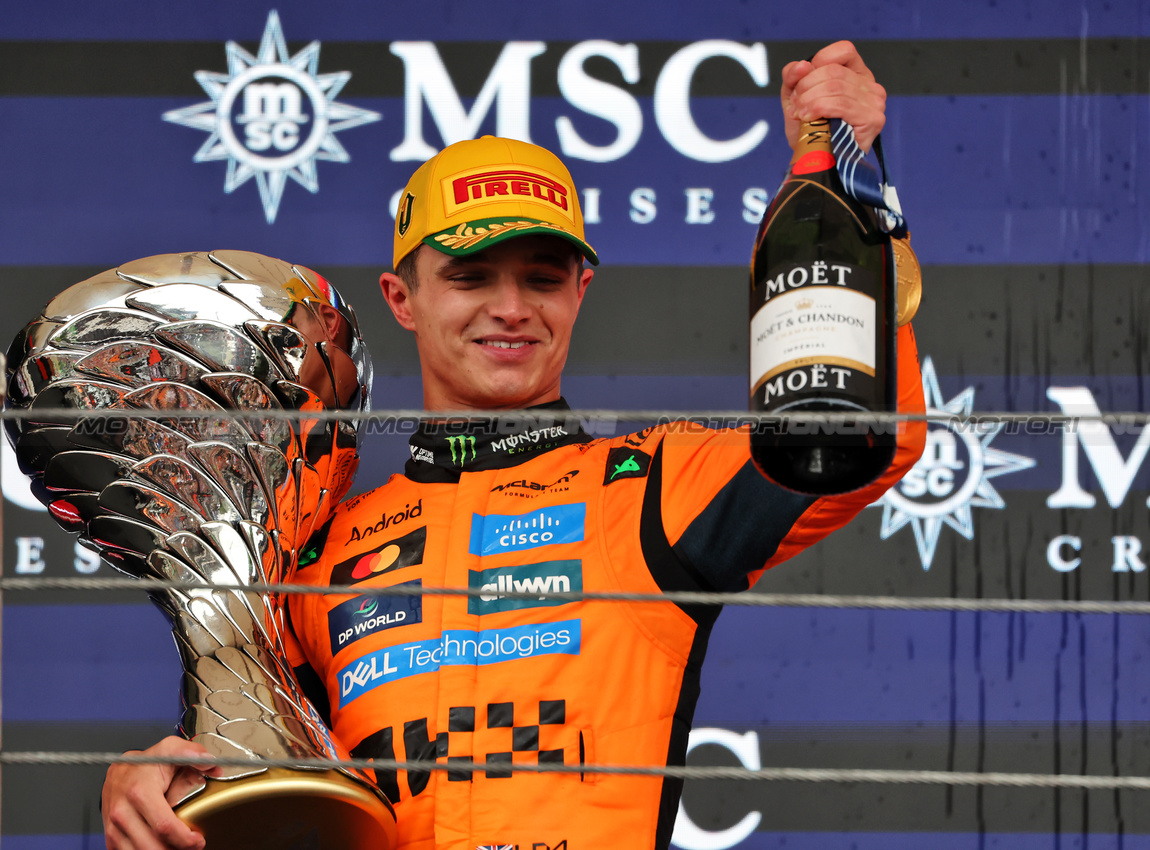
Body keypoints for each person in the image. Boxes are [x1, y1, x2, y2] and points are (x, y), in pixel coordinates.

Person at [102, 41, 924, 850]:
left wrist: (853, 183)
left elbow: (870, 437)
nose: (511, 307)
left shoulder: (651, 484)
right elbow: (257, 770)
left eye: (541, 277)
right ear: (402, 297)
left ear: (580, 291)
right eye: (470, 276)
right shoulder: (317, 553)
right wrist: (155, 778)